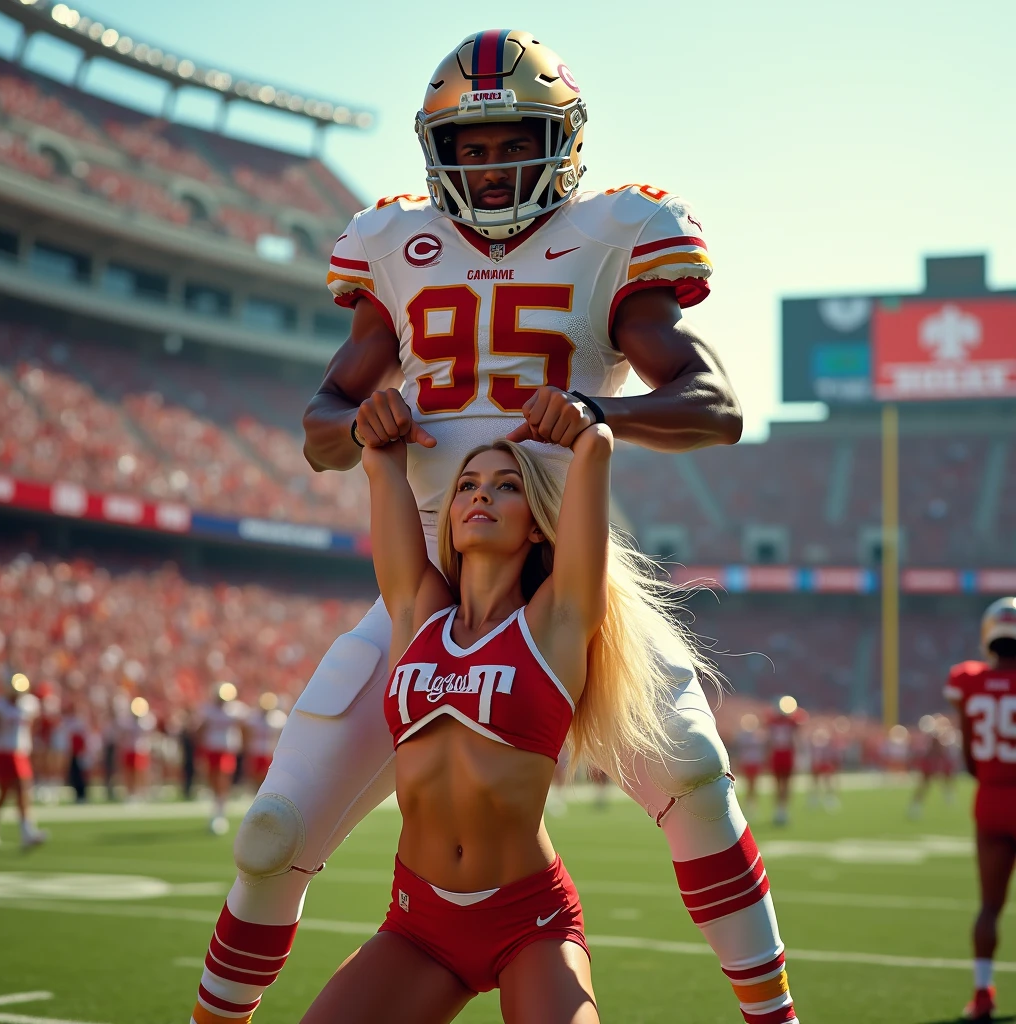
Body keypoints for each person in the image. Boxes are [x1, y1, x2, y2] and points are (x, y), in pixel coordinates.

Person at [191, 30, 799, 1024]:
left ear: (559, 141)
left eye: (509, 137)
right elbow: (320, 428)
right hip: (427, 589)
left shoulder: (614, 233)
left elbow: (712, 404)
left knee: (692, 776)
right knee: (271, 829)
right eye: (466, 146)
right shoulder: (394, 245)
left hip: (565, 577)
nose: (488, 162)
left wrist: (605, 417)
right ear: (435, 152)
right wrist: (362, 425)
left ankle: (777, 1017)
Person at [304, 407, 648, 1020]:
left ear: (537, 526)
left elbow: (596, 450)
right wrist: (376, 422)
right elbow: (379, 464)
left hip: (531, 921)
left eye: (505, 485)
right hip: (418, 921)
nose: (480, 493)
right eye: (467, 485)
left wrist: (584, 423)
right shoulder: (417, 611)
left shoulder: (554, 620)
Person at [944, 596, 1016, 1022]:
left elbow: (970, 758)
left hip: (989, 797)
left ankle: (983, 994)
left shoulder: (967, 680)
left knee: (989, 906)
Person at [0, 670, 47, 850]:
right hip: (4, 752)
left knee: (22, 789)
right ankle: (25, 831)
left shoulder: (28, 704)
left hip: (20, 753)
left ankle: (27, 831)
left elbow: (31, 724)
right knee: (6, 794)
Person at [197, 682, 246, 835]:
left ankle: (220, 809)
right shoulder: (208, 709)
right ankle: (217, 805)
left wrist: (242, 744)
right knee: (212, 779)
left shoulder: (236, 709)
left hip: (226, 749)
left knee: (222, 777)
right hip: (211, 748)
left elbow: (243, 728)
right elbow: (201, 729)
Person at [767, 697, 804, 826]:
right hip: (778, 754)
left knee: (787, 784)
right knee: (778, 784)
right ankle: (778, 810)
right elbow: (770, 741)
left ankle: (784, 810)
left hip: (788, 755)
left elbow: (796, 739)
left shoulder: (792, 722)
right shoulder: (773, 722)